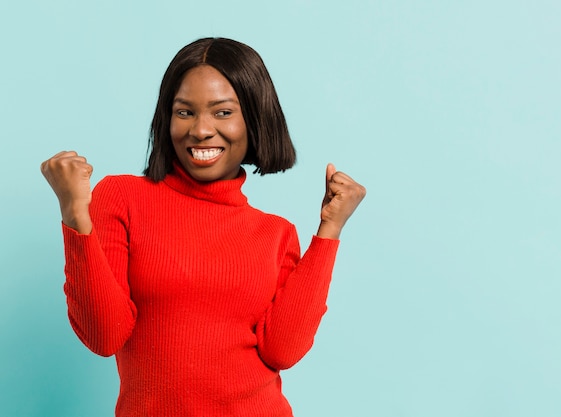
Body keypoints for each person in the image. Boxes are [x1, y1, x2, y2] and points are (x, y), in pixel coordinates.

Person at [41, 38, 365, 416]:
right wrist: (74, 214)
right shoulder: (122, 196)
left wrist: (330, 229)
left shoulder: (276, 233)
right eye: (185, 112)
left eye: (223, 112)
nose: (201, 130)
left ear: (254, 119)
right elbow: (104, 335)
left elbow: (284, 351)